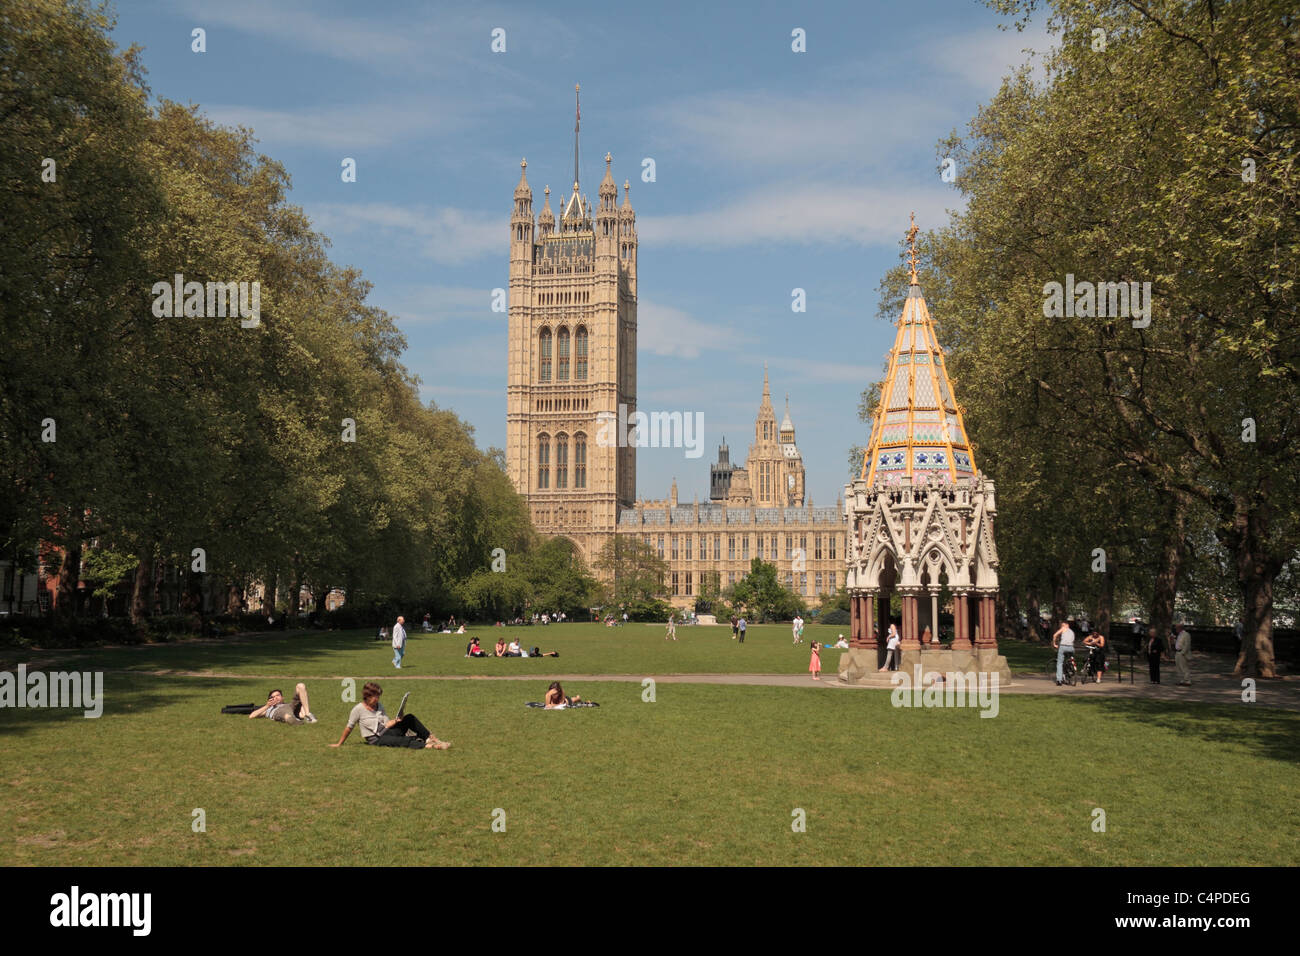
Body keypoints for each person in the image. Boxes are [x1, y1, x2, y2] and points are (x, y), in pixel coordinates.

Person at [331, 682, 450, 750]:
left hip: (387, 731)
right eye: (375, 696)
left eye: (378, 696)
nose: (377, 699)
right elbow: (349, 727)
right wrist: (339, 743)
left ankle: (431, 738)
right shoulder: (358, 709)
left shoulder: (379, 705)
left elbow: (386, 723)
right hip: (377, 739)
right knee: (400, 741)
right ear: (367, 696)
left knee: (409, 718)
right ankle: (429, 746)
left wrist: (397, 721)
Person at [249, 684, 316, 724]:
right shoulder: (269, 709)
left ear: (282, 697)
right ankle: (295, 721)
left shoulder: (288, 704)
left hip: (289, 706)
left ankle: (308, 715)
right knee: (286, 715)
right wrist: (267, 706)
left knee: (300, 685)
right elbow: (251, 716)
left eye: (278, 695)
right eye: (273, 697)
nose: (276, 697)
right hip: (279, 711)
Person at [1052, 619, 1075, 685]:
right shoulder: (1072, 632)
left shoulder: (1063, 629)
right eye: (1062, 625)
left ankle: (1059, 680)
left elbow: (1055, 635)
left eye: (1063, 625)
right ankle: (1070, 668)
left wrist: (1054, 644)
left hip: (1063, 647)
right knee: (1069, 659)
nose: (1062, 626)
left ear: (1067, 625)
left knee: (1059, 663)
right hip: (1071, 648)